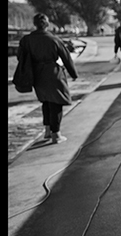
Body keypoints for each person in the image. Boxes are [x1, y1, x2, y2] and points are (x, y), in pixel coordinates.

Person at [17, 13, 78, 144]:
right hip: (53, 73)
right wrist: (73, 74)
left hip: (37, 75)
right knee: (56, 102)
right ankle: (56, 135)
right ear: (47, 24)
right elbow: (66, 58)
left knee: (45, 101)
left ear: (34, 24)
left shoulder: (26, 40)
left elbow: (20, 57)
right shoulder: (54, 39)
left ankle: (47, 131)